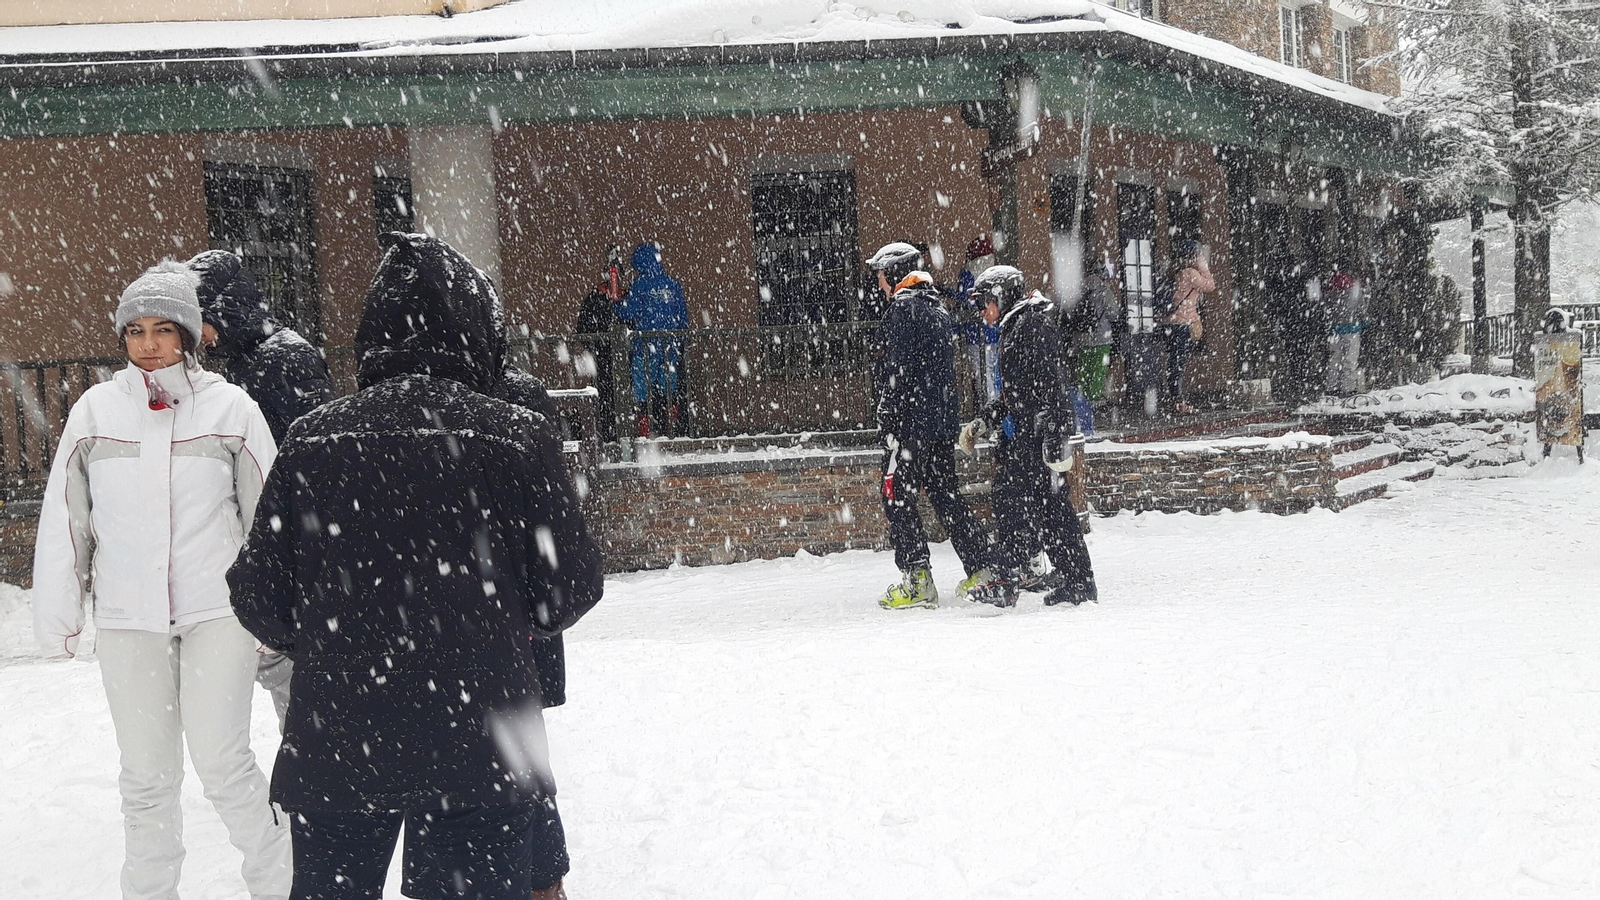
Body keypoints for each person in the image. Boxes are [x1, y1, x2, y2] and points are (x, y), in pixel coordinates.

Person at [227, 233, 604, 900]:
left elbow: (259, 595)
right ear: (476, 330)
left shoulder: (313, 439)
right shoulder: (514, 438)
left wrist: (338, 642)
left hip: (338, 736)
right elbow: (567, 590)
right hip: (481, 738)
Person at [32, 260, 292, 900]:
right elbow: (68, 520)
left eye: (163, 329)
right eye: (135, 330)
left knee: (224, 765)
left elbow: (270, 521)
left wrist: (274, 611)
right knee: (146, 780)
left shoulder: (232, 409)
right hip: (129, 623)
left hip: (217, 616)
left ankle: (285, 885)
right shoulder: (94, 413)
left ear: (191, 334)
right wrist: (60, 613)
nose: (148, 344)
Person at [188, 248, 337, 730]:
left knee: (288, 666)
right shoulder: (222, 364)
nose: (196, 336)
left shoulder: (283, 357)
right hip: (251, 529)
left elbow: (313, 450)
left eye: (200, 321)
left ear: (222, 310)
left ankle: (313, 762)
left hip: (284, 528)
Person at [868, 241, 995, 610]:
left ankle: (917, 578)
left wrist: (888, 423)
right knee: (945, 495)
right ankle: (981, 567)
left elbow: (896, 374)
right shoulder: (935, 307)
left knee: (896, 496)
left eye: (880, 277)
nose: (879, 286)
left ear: (893, 274)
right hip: (939, 424)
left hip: (910, 427)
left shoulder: (902, 311)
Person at [964, 265, 1099, 608]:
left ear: (1001, 296)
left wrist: (1055, 434)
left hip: (1038, 434)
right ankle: (1079, 582)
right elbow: (1016, 393)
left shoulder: (1031, 326)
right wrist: (985, 420)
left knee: (1011, 500)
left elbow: (1051, 385)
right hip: (1033, 431)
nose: (982, 312)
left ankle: (1006, 579)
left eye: (984, 303)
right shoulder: (1019, 326)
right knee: (1052, 508)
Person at [614, 241, 689, 437]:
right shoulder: (673, 285)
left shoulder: (640, 286)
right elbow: (683, 318)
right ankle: (671, 431)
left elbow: (628, 313)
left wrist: (615, 303)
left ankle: (644, 433)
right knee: (669, 392)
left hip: (644, 348)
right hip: (669, 348)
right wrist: (678, 343)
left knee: (642, 394)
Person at [1163, 239, 1214, 415]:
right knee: (1178, 363)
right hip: (1182, 324)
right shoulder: (1190, 273)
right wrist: (1203, 264)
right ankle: (1178, 402)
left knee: (1173, 362)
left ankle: (1175, 399)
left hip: (1170, 322)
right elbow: (1210, 285)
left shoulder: (1173, 270)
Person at [574, 273, 619, 442]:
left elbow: (582, 329)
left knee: (605, 396)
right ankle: (609, 435)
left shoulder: (594, 299)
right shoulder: (597, 300)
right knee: (606, 396)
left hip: (603, 356)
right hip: (604, 357)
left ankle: (608, 435)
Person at [1324, 260, 1365, 396]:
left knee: (1334, 359)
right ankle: (1348, 388)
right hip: (1352, 329)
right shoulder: (1353, 285)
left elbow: (1326, 308)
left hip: (1335, 330)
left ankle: (1332, 387)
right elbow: (1360, 306)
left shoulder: (1331, 284)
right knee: (1350, 360)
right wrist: (1364, 322)